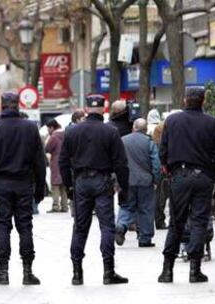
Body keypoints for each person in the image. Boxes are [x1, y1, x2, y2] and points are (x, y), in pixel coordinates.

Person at [59, 94, 129, 286]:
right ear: (104, 109)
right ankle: (108, 271)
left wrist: (69, 187)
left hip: (81, 181)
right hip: (103, 181)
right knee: (106, 227)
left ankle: (77, 272)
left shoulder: (73, 132)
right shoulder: (111, 131)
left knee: (80, 228)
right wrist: (124, 187)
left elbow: (63, 161)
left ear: (86, 108)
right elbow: (121, 163)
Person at [0, 91, 46, 286]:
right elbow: (39, 162)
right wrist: (40, 189)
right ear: (18, 106)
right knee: (25, 226)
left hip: (1, 185)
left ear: (2, 106)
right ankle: (27, 271)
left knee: (2, 226)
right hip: (24, 183)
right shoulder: (30, 128)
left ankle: (3, 270)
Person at [158, 87, 215, 284]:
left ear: (185, 100)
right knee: (199, 222)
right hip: (203, 177)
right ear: (203, 101)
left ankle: (168, 269)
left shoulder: (173, 121)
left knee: (176, 222)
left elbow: (163, 150)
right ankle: (195, 269)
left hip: (180, 176)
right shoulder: (212, 123)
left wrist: (167, 168)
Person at [115, 118, 161, 248]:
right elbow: (156, 163)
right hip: (145, 181)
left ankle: (122, 224)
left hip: (127, 181)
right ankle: (145, 239)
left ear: (133, 128)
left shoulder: (123, 141)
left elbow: (117, 161)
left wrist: (117, 180)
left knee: (127, 206)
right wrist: (156, 179)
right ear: (145, 129)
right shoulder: (149, 142)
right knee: (146, 209)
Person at [45, 119, 68, 213]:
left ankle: (55, 206)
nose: (47, 131)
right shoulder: (65, 134)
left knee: (55, 185)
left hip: (56, 162)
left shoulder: (54, 137)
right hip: (65, 162)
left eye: (48, 128)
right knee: (64, 185)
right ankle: (65, 206)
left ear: (52, 127)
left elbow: (47, 149)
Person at [153, 122, 169, 230]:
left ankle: (159, 219)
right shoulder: (165, 145)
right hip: (165, 174)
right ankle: (160, 221)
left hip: (158, 174)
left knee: (159, 197)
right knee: (162, 198)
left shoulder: (154, 145)